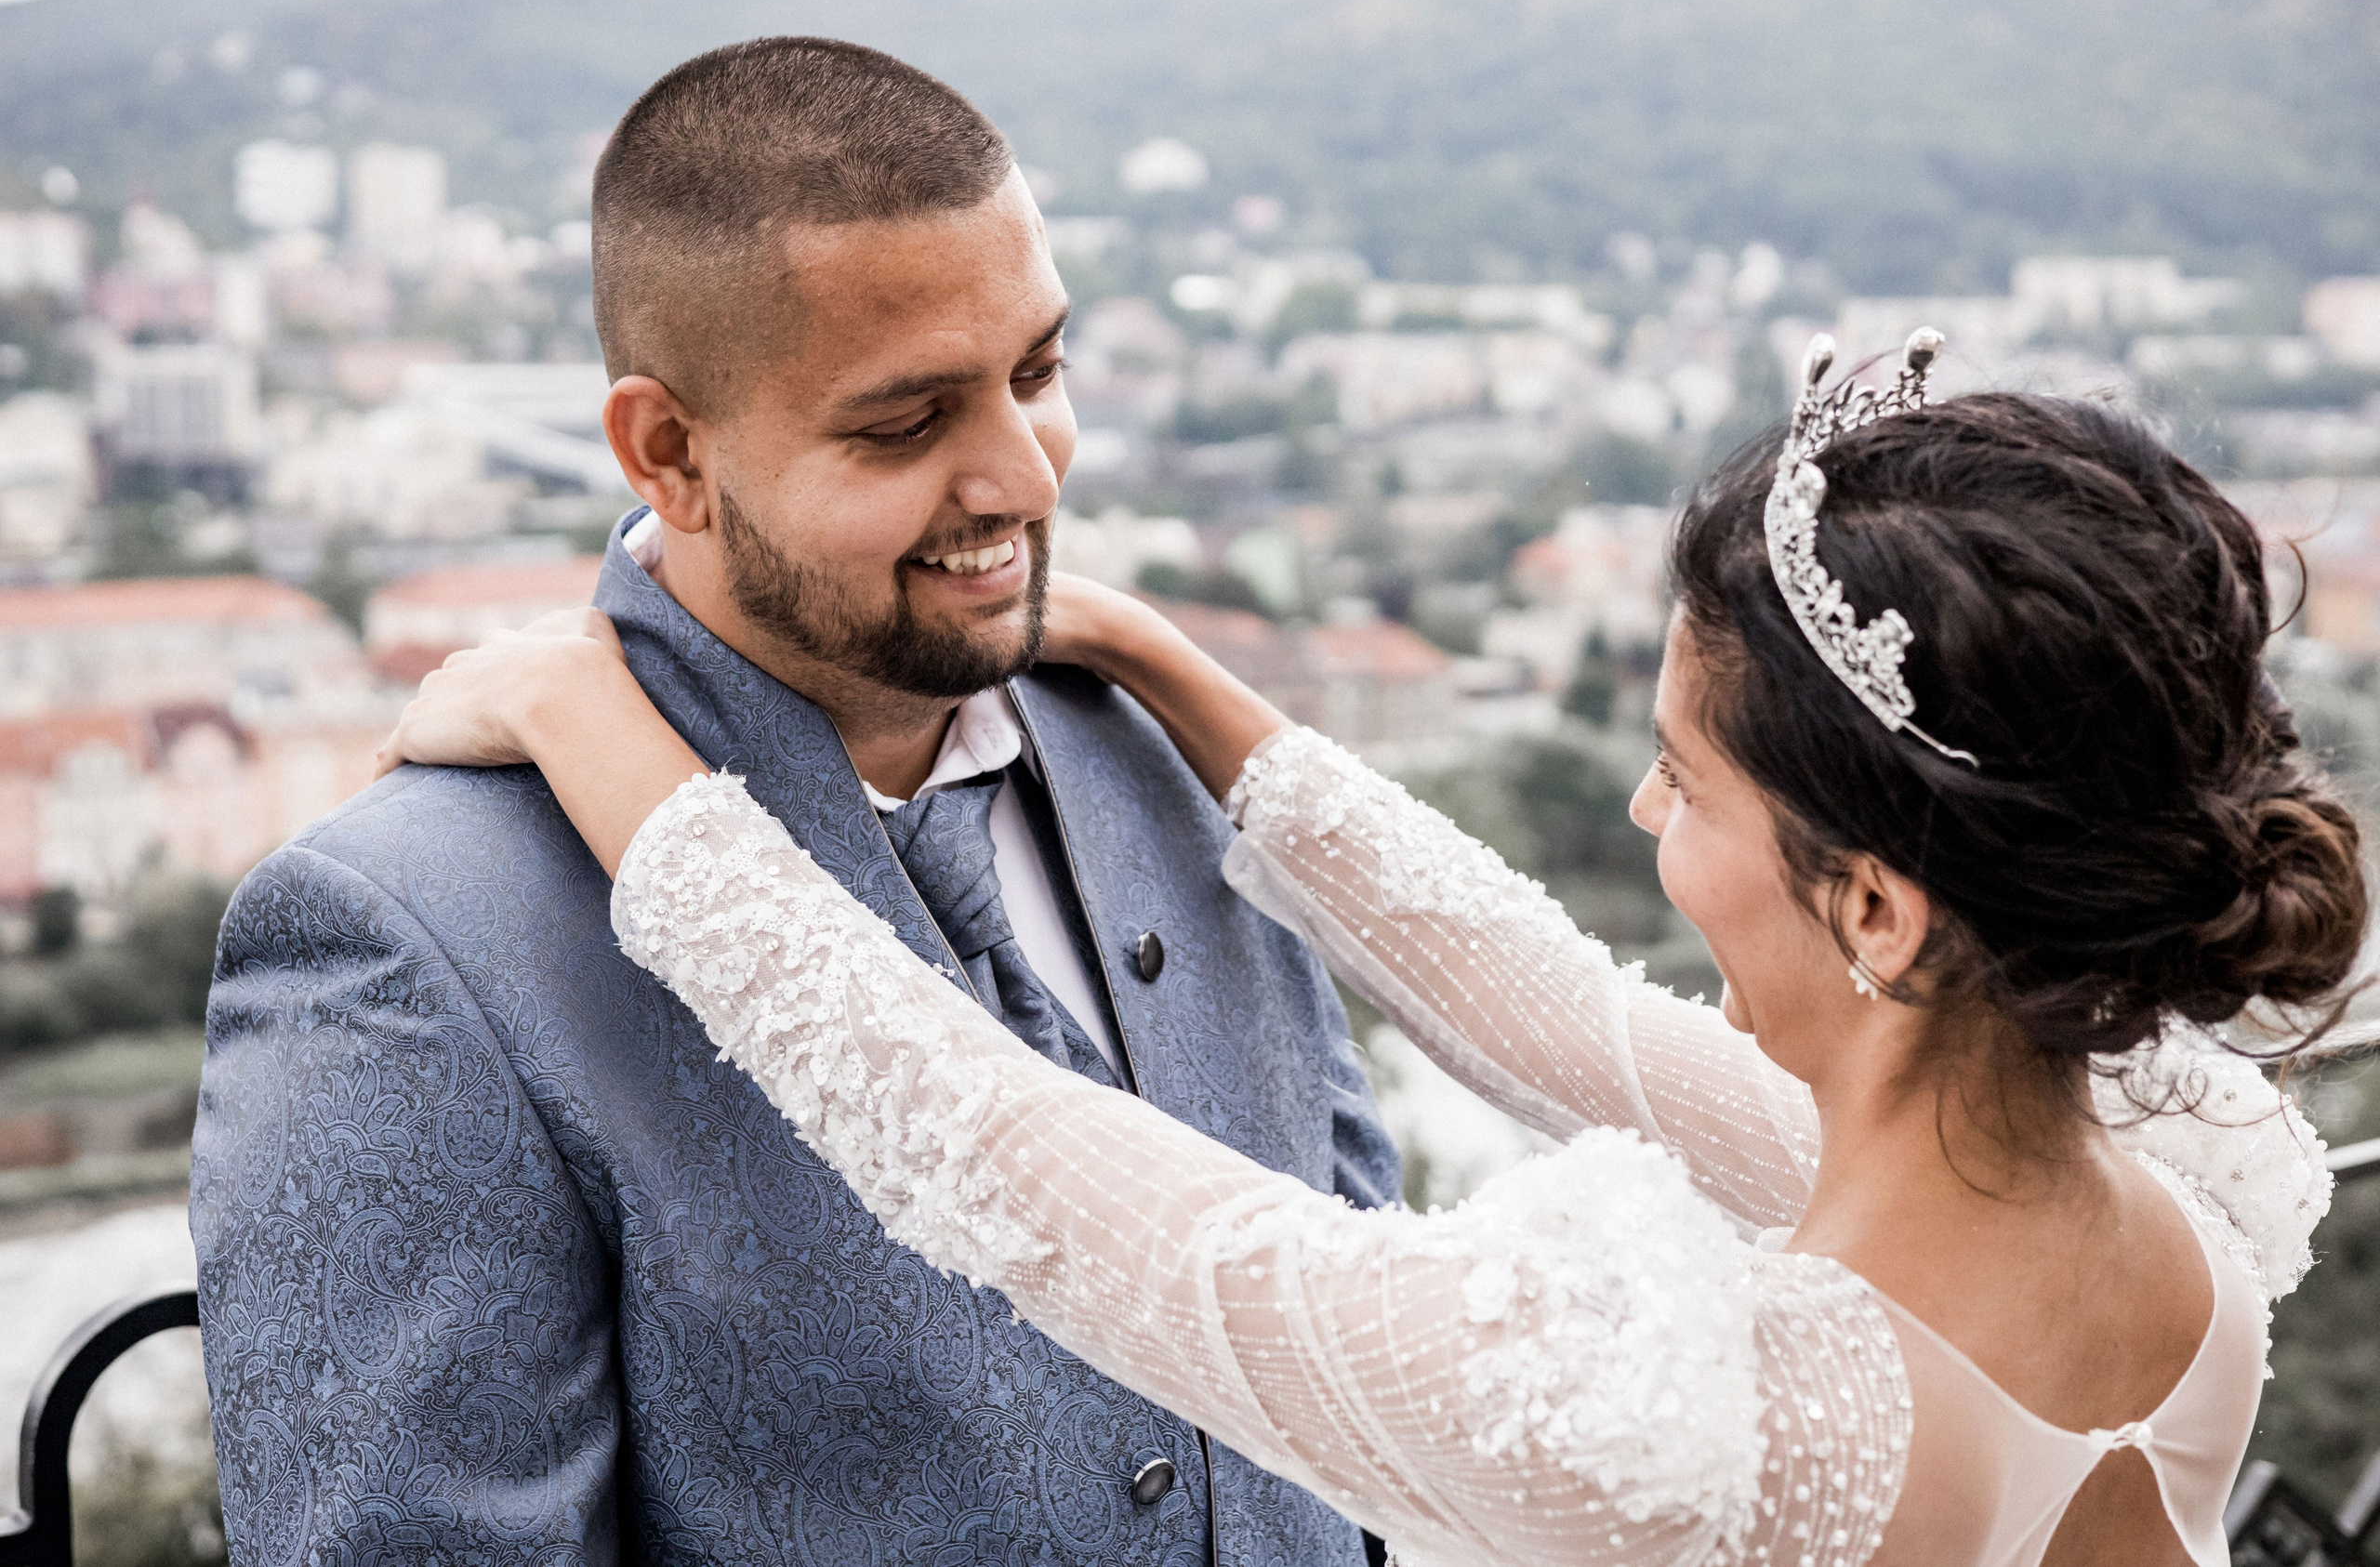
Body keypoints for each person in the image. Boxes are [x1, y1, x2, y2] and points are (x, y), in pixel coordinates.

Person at [383, 347, 2365, 1567]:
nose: (1638, 829)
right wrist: (1171, 672)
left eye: (1675, 783)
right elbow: (1559, 1013)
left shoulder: (1718, 1418)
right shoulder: (2158, 1207)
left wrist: (602, 731)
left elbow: (1007, 1158)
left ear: (1872, 906)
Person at [191, 37, 1397, 1567]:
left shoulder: (1172, 756)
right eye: (906, 423)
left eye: (1039, 372)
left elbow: (1367, 1347)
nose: (1022, 476)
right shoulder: (399, 937)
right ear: (671, 452)